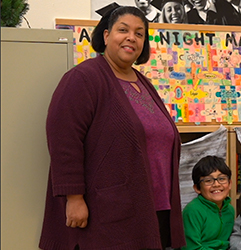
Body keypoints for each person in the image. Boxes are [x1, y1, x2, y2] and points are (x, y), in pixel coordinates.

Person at [39, 6, 185, 250]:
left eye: (140, 33)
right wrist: (73, 198)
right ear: (106, 36)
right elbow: (64, 141)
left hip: (154, 207)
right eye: (123, 30)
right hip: (107, 213)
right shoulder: (84, 78)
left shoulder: (144, 82)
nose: (132, 37)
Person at [182, 156, 235, 250]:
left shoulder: (230, 210)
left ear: (230, 184)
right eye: (208, 181)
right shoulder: (192, 211)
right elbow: (191, 248)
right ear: (197, 188)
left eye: (222, 179)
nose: (216, 184)